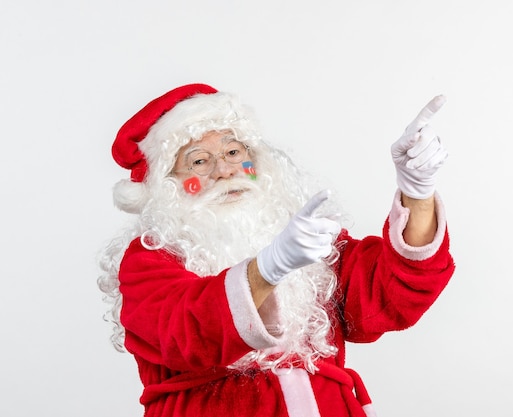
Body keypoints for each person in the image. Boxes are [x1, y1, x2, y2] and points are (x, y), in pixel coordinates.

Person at [98, 83, 455, 417]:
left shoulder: (302, 240)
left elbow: (391, 294)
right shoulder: (147, 260)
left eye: (234, 151)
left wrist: (417, 191)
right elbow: (186, 331)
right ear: (169, 186)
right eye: (199, 161)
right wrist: (267, 269)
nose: (225, 170)